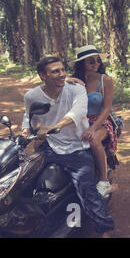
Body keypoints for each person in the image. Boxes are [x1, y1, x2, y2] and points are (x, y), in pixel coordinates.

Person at [22, 56, 114, 235]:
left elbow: (78, 112)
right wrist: (26, 133)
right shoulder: (31, 96)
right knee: (23, 181)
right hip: (49, 147)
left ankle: (104, 230)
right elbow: (28, 117)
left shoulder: (76, 89)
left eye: (62, 70)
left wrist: (56, 126)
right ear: (43, 76)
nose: (62, 74)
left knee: (86, 189)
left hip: (76, 147)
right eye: (55, 71)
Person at [71, 45, 117, 198]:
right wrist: (66, 80)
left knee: (94, 140)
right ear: (82, 63)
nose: (96, 64)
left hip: (101, 121)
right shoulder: (74, 81)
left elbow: (106, 108)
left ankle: (104, 181)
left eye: (98, 60)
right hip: (80, 120)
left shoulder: (105, 80)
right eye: (91, 61)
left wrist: (93, 129)